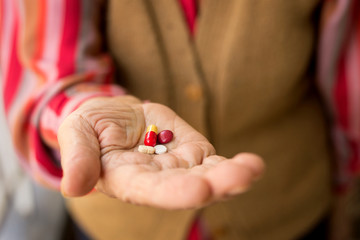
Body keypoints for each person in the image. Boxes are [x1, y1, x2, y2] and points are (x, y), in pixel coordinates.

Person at [0, 0, 358, 239]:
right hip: (119, 227)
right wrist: (79, 112)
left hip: (288, 206)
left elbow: (346, 78)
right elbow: (44, 67)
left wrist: (346, 187)